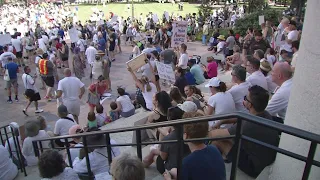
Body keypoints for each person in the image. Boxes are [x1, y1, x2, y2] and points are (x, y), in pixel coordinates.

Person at [209, 85, 280, 178]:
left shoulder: (249, 125)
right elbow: (240, 117)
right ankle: (222, 157)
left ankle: (210, 167)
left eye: (245, 98)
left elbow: (215, 134)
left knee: (218, 140)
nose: (244, 100)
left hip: (254, 167)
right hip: (266, 156)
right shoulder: (263, 114)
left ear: (250, 104)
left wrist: (207, 131)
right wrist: (223, 121)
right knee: (228, 137)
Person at [163, 114, 226, 180]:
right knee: (174, 170)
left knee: (171, 174)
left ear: (185, 136)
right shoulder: (214, 149)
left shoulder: (187, 162)